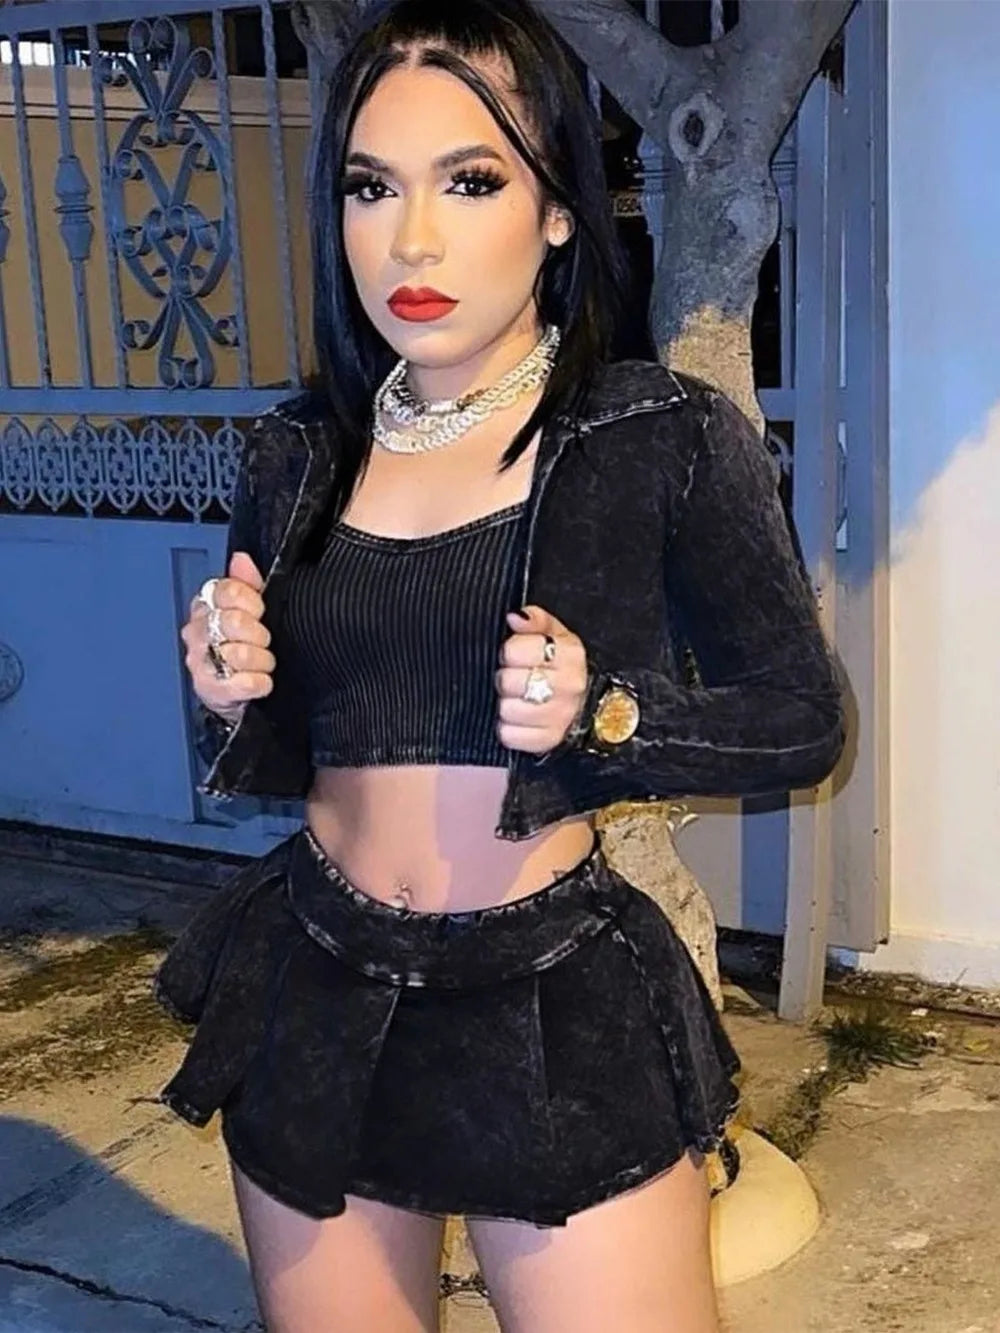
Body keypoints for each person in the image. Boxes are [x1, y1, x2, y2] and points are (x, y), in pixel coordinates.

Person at [153, 1, 847, 1329]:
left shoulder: (655, 433)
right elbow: (289, 751)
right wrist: (232, 688)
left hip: (552, 1002)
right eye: (371, 186)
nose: (410, 240)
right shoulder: (297, 457)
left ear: (559, 211)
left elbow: (801, 716)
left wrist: (608, 713)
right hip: (318, 980)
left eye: (469, 182)